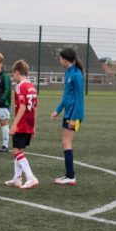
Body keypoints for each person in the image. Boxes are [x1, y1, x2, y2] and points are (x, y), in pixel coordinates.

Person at [50, 47, 85, 186]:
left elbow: (79, 98)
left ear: (65, 60)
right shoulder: (68, 73)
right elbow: (66, 96)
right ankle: (69, 175)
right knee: (65, 142)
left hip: (74, 115)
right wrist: (57, 110)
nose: (59, 61)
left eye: (60, 58)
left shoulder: (76, 74)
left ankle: (70, 176)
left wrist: (74, 118)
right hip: (68, 113)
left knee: (66, 142)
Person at [6, 60, 40, 190]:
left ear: (17, 72)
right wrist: (34, 126)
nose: (13, 77)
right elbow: (35, 108)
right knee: (19, 150)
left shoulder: (20, 86)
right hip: (29, 123)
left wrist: (14, 124)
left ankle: (31, 177)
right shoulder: (32, 86)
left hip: (22, 123)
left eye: (13, 74)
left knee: (16, 151)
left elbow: (23, 107)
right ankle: (17, 178)